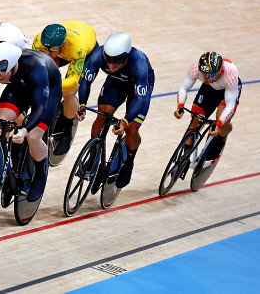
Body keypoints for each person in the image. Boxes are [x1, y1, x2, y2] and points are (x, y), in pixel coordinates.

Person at [0, 41, 62, 202]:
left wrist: (25, 130)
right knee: (0, 124)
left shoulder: (37, 69)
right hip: (19, 86)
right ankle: (3, 163)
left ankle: (40, 174)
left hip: (47, 90)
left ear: (11, 64)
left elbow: (40, 108)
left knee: (33, 136)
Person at [77, 32, 155, 189]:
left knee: (132, 128)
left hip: (138, 86)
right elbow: (86, 80)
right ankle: (94, 155)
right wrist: (83, 105)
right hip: (116, 82)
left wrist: (125, 122)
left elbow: (140, 99)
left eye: (116, 63)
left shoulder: (139, 63)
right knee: (102, 116)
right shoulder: (99, 54)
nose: (111, 66)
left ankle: (129, 162)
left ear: (126, 57)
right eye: (109, 61)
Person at [33, 20, 98, 155]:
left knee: (69, 92)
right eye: (45, 48)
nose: (47, 52)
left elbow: (73, 81)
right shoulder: (39, 40)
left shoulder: (77, 48)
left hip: (85, 52)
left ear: (62, 46)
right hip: (67, 43)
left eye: (52, 50)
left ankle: (67, 131)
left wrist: (53, 83)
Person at [174, 51, 242, 164]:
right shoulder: (196, 68)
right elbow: (183, 88)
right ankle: (183, 160)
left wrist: (219, 123)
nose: (205, 79)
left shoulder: (230, 73)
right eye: (203, 74)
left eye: (211, 75)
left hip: (228, 90)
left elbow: (230, 105)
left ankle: (222, 135)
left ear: (220, 71)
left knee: (221, 118)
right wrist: (180, 105)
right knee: (195, 119)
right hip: (210, 89)